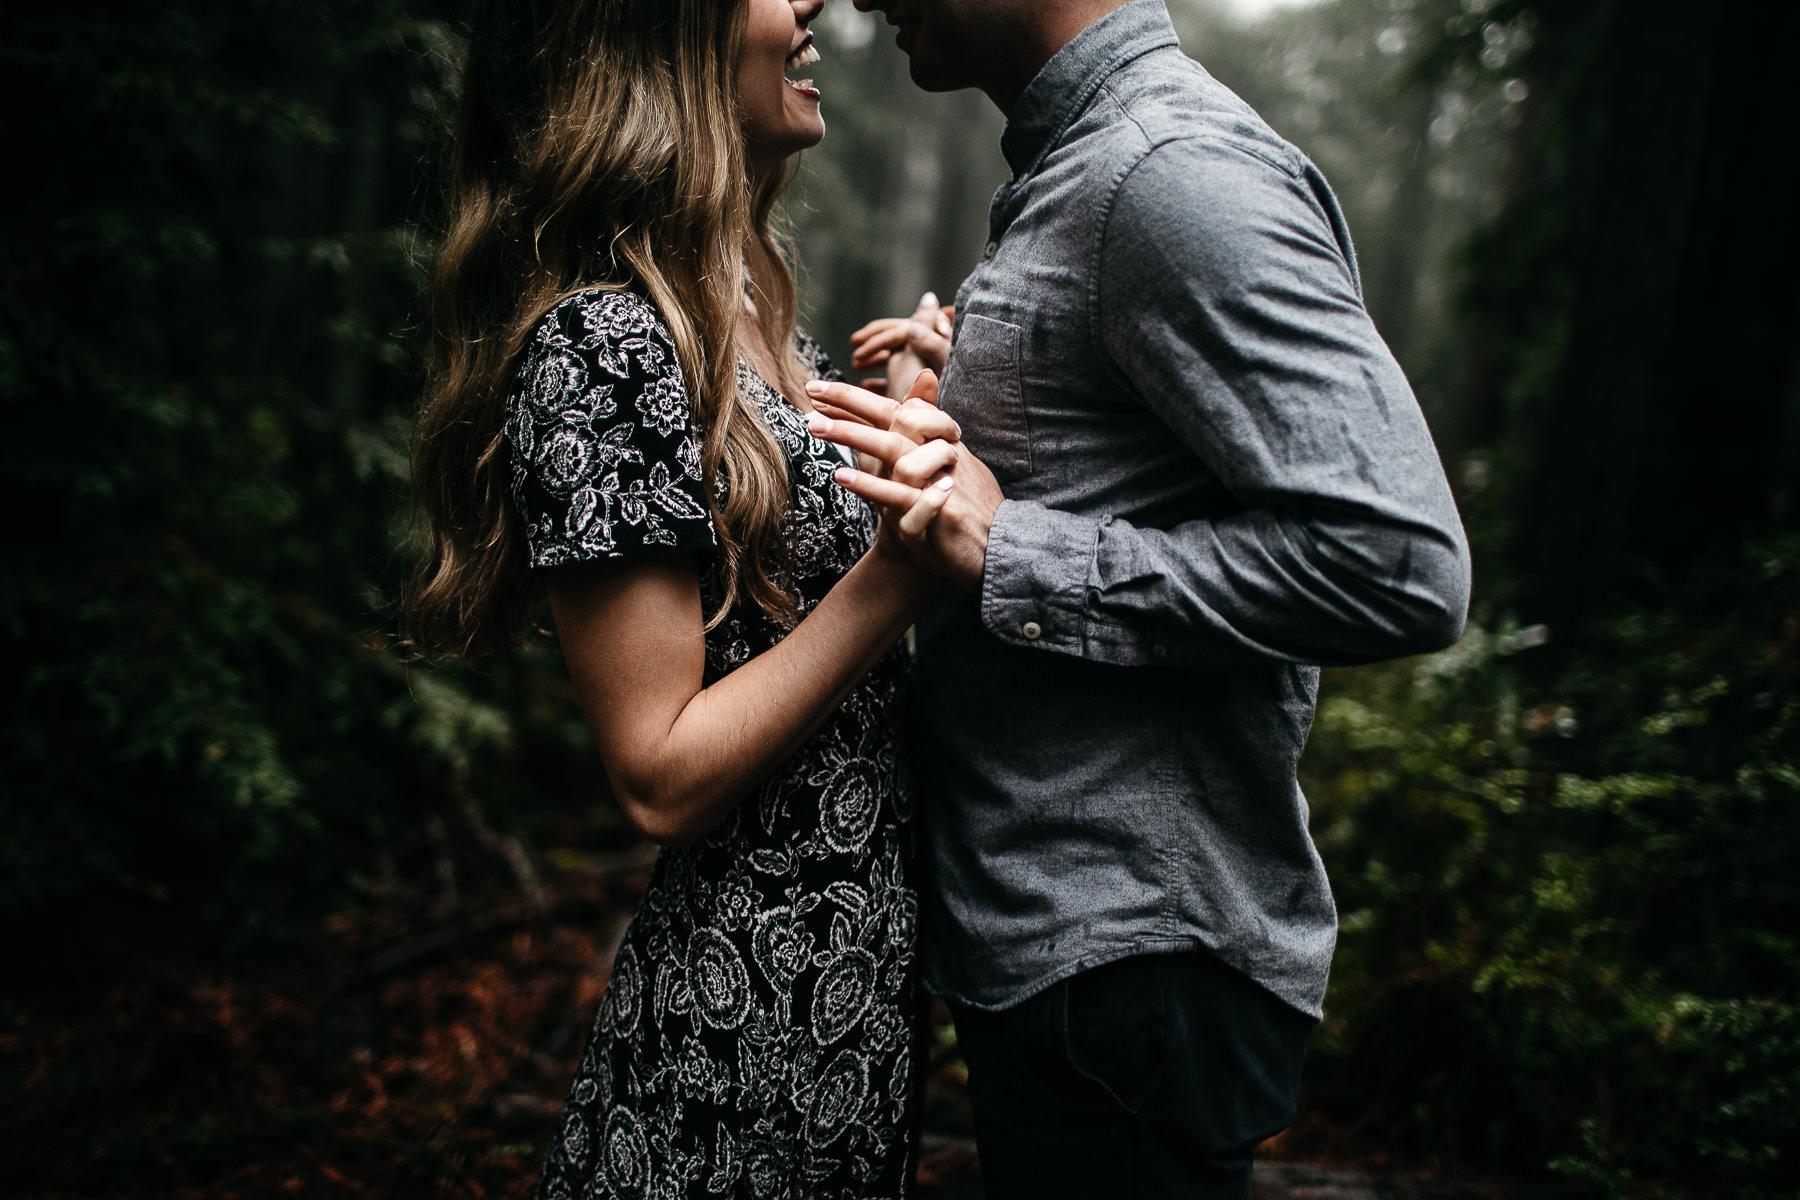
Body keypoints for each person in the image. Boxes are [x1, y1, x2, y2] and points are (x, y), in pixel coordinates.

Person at [803, 1, 1475, 1197]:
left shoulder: (1166, 178)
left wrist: (1011, 544)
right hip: (1070, 961)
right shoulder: (1085, 177)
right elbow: (1115, 461)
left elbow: (1398, 561)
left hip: (1131, 966)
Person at [406, 1, 965, 1196]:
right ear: (660, 36)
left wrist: (912, 405)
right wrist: (896, 577)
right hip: (734, 1045)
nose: (813, 3)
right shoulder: (604, 342)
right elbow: (658, 771)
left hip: (845, 1018)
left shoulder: (753, 321)